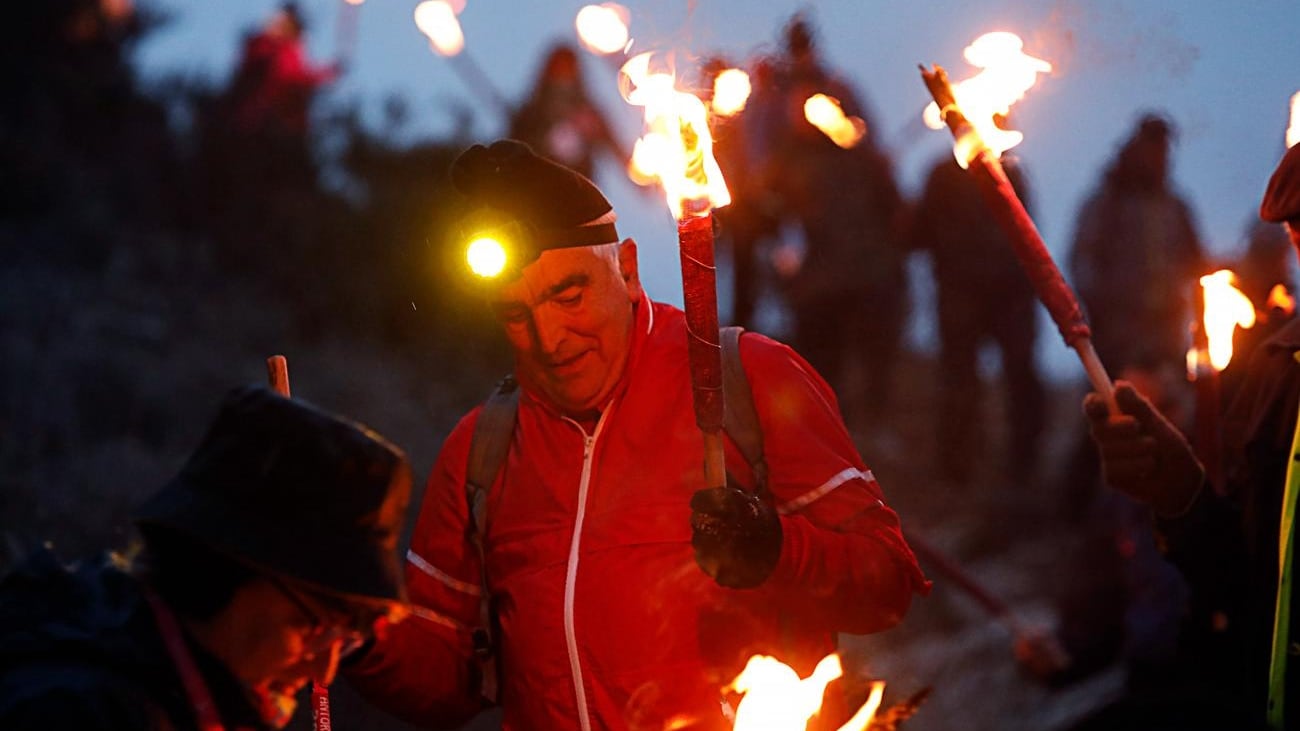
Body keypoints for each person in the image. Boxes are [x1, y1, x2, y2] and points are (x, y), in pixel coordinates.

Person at [346, 140, 929, 731]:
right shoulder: (482, 449)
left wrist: (776, 548)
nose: (550, 339)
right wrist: (348, 624)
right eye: (516, 315)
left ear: (627, 268)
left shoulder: (745, 380)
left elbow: (886, 584)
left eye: (569, 296)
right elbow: (443, 679)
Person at [0, 385, 412, 730]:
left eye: (349, 636)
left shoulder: (183, 688)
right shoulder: (74, 713)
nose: (323, 671)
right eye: (314, 627)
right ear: (226, 569)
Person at [1077, 143, 1300, 729]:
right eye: (1295, 228)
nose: (1295, 239)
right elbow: (1250, 580)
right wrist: (1182, 495)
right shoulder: (1285, 374)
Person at [907, 154, 1046, 485]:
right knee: (960, 382)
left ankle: (1023, 467)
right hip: (961, 296)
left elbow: (1027, 236)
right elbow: (917, 235)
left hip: (1009, 298)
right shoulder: (942, 175)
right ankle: (957, 469)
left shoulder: (1011, 172)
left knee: (1021, 380)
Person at [508, 44, 622, 181]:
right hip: (535, 184)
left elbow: (617, 149)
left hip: (577, 189)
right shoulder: (532, 112)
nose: (563, 74)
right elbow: (513, 146)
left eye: (568, 68)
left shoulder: (588, 113)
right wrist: (545, 141)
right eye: (558, 68)